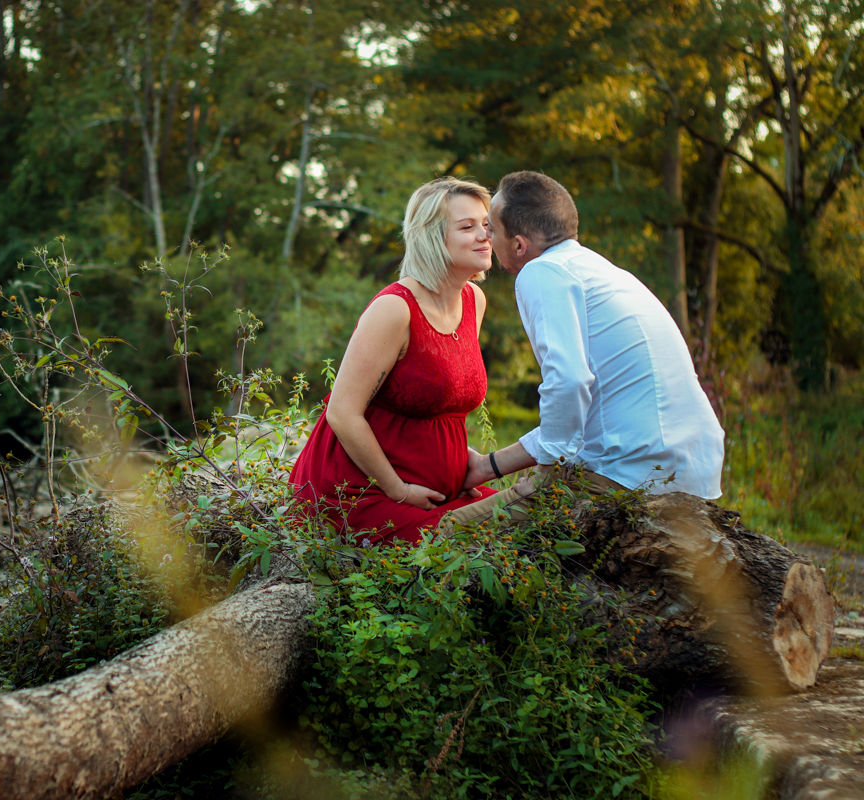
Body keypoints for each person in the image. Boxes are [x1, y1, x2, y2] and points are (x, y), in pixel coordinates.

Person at [447, 171, 724, 527]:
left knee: (450, 531)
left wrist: (545, 475)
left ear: (519, 245)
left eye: (492, 229)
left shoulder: (541, 273)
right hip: (691, 472)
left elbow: (569, 383)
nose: (485, 237)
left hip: (629, 473)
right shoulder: (600, 271)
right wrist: (489, 466)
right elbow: (583, 410)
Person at [289, 177, 527, 545]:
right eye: (467, 227)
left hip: (435, 490)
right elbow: (342, 413)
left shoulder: (473, 301)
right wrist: (398, 490)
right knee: (485, 539)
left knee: (531, 521)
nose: (485, 236)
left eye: (486, 225)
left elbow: (436, 398)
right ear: (432, 236)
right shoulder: (395, 308)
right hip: (365, 492)